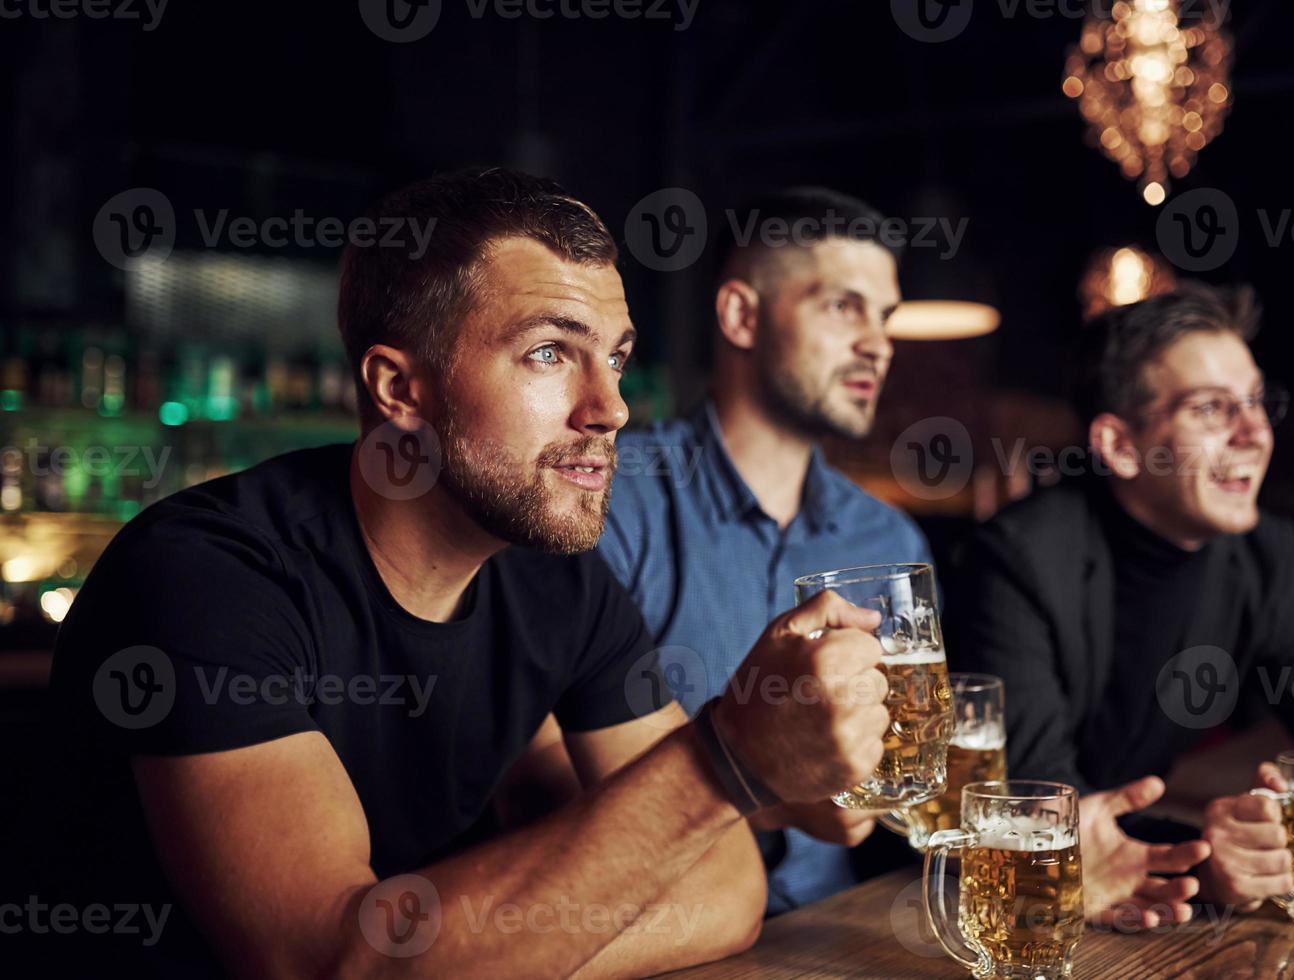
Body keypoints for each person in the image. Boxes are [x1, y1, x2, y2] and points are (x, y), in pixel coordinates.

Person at [46, 167, 897, 978]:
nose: (611, 407)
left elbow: (727, 889)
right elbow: (327, 963)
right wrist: (725, 764)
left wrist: (487, 959)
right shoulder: (208, 577)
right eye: (550, 354)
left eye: (616, 356)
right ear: (398, 389)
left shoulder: (556, 582)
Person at [599, 188, 1207, 927]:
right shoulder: (617, 503)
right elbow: (566, 792)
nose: (878, 343)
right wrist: (768, 794)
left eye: (883, 317)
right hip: (648, 936)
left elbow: (914, 784)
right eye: (842, 307)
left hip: (834, 931)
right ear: (741, 315)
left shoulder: (888, 543)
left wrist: (1038, 842)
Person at [947, 283, 1294, 913]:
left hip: (1111, 892)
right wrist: (1207, 855)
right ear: (1120, 446)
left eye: (1255, 402)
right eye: (1211, 410)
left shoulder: (1263, 557)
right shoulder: (1017, 559)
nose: (1255, 433)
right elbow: (1046, 810)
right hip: (962, 898)